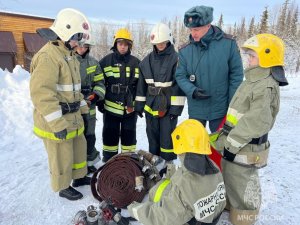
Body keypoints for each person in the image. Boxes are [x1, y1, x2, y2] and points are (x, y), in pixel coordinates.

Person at [214, 34, 288, 225]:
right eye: (248, 55)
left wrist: (232, 143)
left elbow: (256, 122)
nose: (248, 59)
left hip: (245, 145)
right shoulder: (253, 79)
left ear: (267, 58)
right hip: (236, 141)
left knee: (242, 182)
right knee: (230, 176)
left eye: (252, 56)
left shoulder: (265, 86)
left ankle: (244, 218)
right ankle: (232, 207)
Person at [30, 8, 92, 201]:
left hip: (72, 117)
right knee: (61, 154)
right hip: (56, 119)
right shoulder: (48, 56)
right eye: (75, 37)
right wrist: (57, 123)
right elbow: (41, 94)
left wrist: (83, 109)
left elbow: (74, 89)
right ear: (64, 33)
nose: (78, 43)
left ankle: (78, 177)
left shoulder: (68, 54)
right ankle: (62, 186)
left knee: (78, 148)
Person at [127, 119, 226, 225]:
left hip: (193, 221)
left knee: (157, 192)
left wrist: (133, 209)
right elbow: (190, 173)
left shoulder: (185, 185)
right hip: (211, 216)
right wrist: (170, 170)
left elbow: (160, 217)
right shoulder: (212, 166)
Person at [175, 5, 244, 133]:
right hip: (196, 109)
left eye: (196, 29)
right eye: (190, 30)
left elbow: (236, 75)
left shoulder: (228, 44)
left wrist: (232, 104)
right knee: (194, 147)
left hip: (220, 108)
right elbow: (180, 75)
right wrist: (192, 90)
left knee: (218, 147)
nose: (193, 33)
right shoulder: (185, 50)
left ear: (208, 25)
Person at [135, 23, 185, 165]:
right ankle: (155, 166)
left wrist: (175, 110)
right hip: (151, 106)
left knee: (167, 138)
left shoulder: (176, 59)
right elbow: (141, 86)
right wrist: (139, 105)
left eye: (163, 42)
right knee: (152, 137)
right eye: (157, 43)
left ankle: (168, 167)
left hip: (168, 108)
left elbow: (178, 87)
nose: (160, 45)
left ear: (169, 40)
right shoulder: (146, 61)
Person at [98, 28, 140, 162]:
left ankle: (128, 162)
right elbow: (99, 83)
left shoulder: (136, 62)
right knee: (110, 136)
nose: (123, 47)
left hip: (129, 109)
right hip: (110, 108)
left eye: (126, 44)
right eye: (120, 43)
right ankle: (109, 162)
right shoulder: (105, 61)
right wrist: (100, 102)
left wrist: (138, 104)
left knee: (129, 136)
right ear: (115, 44)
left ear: (129, 46)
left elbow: (140, 86)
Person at [76, 38, 105, 174]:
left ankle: (89, 163)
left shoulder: (93, 62)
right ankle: (77, 168)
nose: (82, 49)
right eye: (79, 46)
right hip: (74, 105)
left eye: (85, 46)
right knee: (77, 136)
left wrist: (96, 95)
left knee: (90, 135)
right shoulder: (67, 61)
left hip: (90, 105)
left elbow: (100, 83)